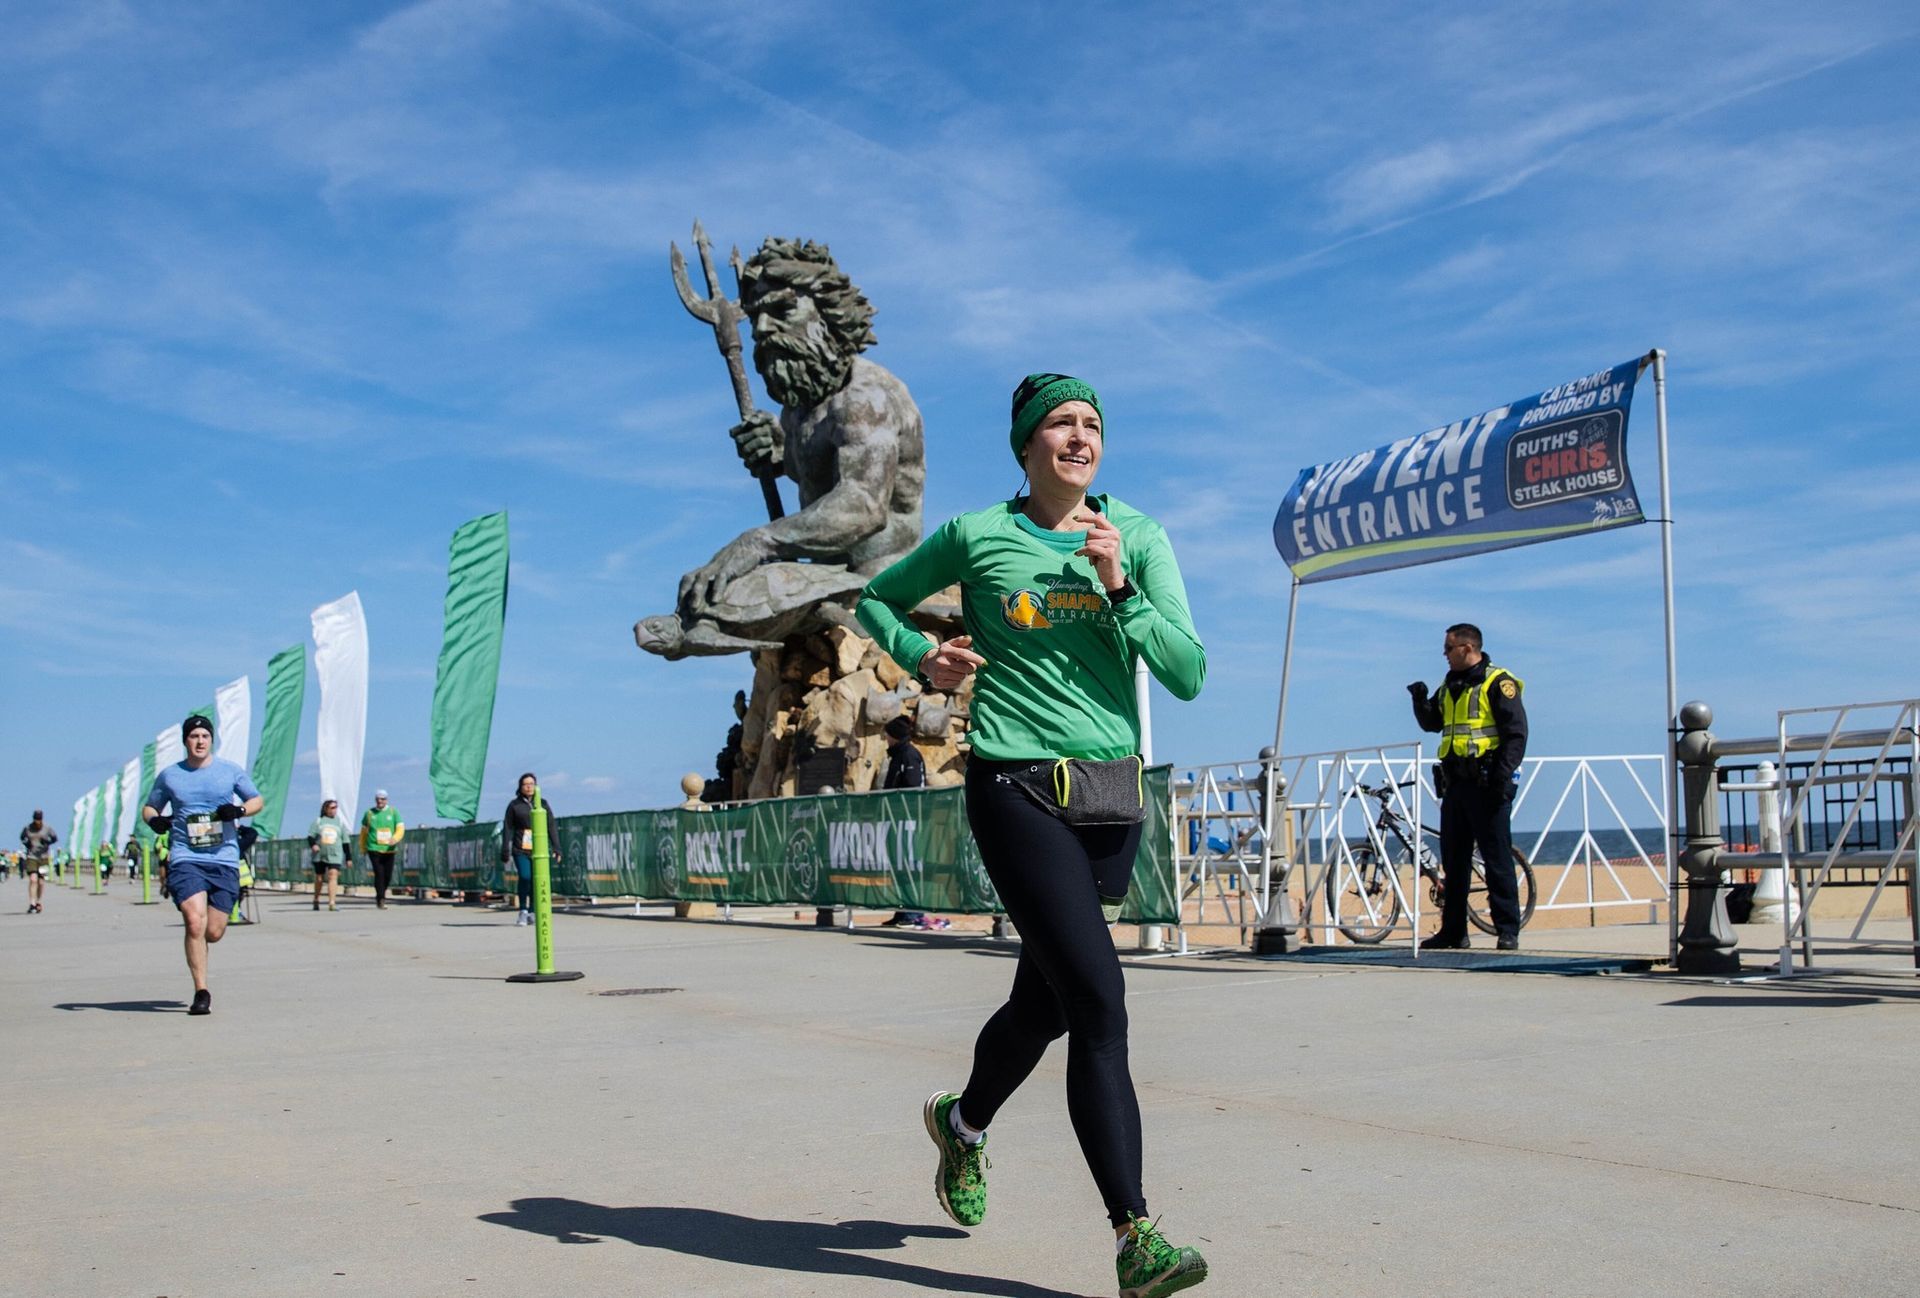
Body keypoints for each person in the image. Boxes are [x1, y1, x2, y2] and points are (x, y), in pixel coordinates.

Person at [856, 373, 1210, 1298]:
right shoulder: (981, 536)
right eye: (1061, 423)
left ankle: (961, 1124)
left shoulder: (1134, 536)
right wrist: (921, 656)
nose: (1080, 436)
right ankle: (1137, 1238)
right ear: (1026, 444)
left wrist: (1118, 584)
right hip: (1013, 787)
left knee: (1045, 1005)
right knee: (1098, 1001)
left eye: (1093, 424)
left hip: (1110, 797)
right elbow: (875, 601)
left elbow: (1187, 673)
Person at [1408, 622, 1529, 951]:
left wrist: (1500, 778)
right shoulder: (1449, 686)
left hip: (1488, 785)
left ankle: (1507, 930)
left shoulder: (1497, 682)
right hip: (1456, 785)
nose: (1444, 654)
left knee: (1496, 858)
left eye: (1448, 648)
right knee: (1454, 861)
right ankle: (1453, 931)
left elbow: (1516, 735)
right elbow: (1434, 723)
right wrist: (1420, 701)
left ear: (1467, 648)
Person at [143, 714, 263, 1016]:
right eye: (194, 736)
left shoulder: (229, 771)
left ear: (211, 740)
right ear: (186, 741)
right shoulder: (171, 775)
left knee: (214, 932)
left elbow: (256, 800)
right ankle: (201, 991)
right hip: (186, 856)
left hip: (223, 858)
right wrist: (155, 820)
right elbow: (150, 807)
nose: (199, 741)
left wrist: (237, 809)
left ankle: (205, 950)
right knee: (194, 922)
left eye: (204, 737)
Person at [880, 715, 930, 928]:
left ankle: (912, 913)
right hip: (896, 818)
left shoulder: (909, 755)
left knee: (909, 863)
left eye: (888, 735)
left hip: (908, 819)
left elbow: (912, 787)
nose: (886, 739)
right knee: (898, 864)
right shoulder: (897, 755)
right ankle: (901, 910)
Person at [501, 773, 560, 927]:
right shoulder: (514, 805)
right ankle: (523, 910)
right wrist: (505, 849)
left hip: (539, 848)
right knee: (525, 876)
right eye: (525, 784)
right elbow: (507, 827)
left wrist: (557, 847)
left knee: (536, 880)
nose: (529, 787)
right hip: (520, 848)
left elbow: (551, 826)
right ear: (520, 787)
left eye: (532, 784)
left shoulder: (543, 804)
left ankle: (533, 911)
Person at [358, 789, 405, 910]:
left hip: (389, 849)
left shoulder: (393, 812)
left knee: (387, 876)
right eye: (378, 799)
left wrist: (395, 838)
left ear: (386, 800)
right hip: (374, 848)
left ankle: (382, 893)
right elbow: (363, 832)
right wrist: (362, 847)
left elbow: (400, 828)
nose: (380, 801)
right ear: (375, 800)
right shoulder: (369, 813)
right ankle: (380, 898)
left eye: (383, 799)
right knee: (379, 873)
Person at [307, 799, 353, 911]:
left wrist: (348, 858)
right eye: (332, 807)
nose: (334, 810)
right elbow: (310, 836)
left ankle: (332, 902)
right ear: (326, 809)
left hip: (335, 854)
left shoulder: (340, 823)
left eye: (336, 807)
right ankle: (316, 899)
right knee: (319, 878)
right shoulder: (319, 821)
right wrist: (313, 845)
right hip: (320, 854)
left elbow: (346, 841)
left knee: (333, 875)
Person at [18, 810, 56, 913]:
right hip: (32, 857)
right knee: (33, 879)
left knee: (41, 882)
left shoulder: (47, 828)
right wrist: (27, 843)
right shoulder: (28, 828)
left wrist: (47, 842)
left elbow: (54, 838)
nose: (37, 822)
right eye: (36, 819)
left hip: (43, 857)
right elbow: (22, 837)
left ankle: (38, 901)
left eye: (39, 819)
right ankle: (32, 903)